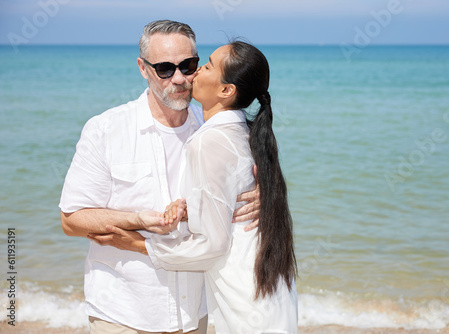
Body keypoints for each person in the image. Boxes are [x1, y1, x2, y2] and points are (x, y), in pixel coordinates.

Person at [59, 20, 260, 334]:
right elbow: (72, 219)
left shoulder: (216, 131)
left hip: (199, 312)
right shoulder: (105, 129)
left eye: (189, 65)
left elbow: (250, 184)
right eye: (165, 68)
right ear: (143, 68)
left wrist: (260, 196)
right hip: (122, 315)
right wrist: (138, 220)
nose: (179, 79)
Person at [93, 41, 299, 333]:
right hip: (270, 285)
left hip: (244, 292)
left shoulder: (209, 141)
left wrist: (140, 245)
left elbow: (212, 244)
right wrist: (193, 209)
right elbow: (232, 200)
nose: (197, 70)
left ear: (226, 91)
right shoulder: (246, 131)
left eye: (208, 65)